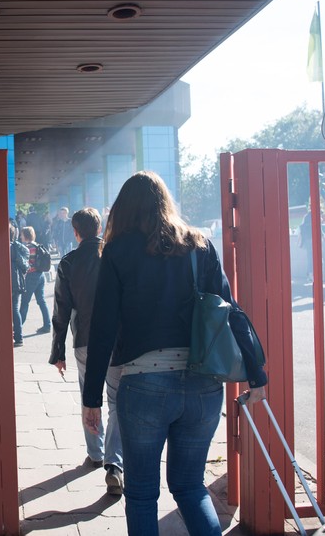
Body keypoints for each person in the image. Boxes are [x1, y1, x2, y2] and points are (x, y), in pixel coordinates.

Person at [82, 171, 268, 536]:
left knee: (141, 493)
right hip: (203, 387)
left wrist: (91, 400)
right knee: (189, 486)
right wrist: (257, 374)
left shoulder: (118, 251)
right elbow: (231, 310)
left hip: (144, 386)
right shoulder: (200, 245)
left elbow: (102, 328)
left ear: (124, 208)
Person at [49, 207, 124, 495]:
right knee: (117, 400)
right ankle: (115, 464)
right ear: (100, 227)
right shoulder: (115, 256)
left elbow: (61, 311)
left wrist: (58, 352)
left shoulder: (68, 263)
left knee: (88, 396)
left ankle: (95, 453)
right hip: (117, 342)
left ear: (76, 232)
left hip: (85, 341)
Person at [20, 226, 52, 334]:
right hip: (40, 275)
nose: (20, 236)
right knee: (41, 301)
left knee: (24, 302)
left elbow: (26, 264)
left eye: (22, 234)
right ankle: (47, 325)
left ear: (25, 235)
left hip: (31, 276)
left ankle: (18, 327)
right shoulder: (38, 245)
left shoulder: (27, 248)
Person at [10, 223, 30, 347]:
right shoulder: (17, 247)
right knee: (15, 309)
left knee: (8, 309)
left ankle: (9, 335)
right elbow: (25, 266)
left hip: (8, 282)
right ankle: (18, 337)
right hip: (16, 282)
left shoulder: (5, 247)